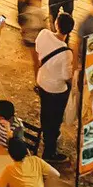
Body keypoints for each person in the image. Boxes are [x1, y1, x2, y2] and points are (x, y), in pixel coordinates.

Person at [34, 13, 75, 163]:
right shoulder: (66, 53)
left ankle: (46, 133)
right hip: (56, 89)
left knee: (45, 111)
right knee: (55, 119)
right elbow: (66, 76)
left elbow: (38, 50)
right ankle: (49, 152)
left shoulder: (44, 34)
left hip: (41, 81)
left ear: (56, 24)